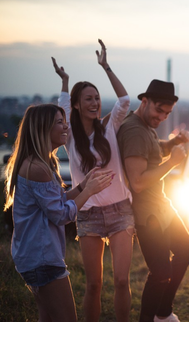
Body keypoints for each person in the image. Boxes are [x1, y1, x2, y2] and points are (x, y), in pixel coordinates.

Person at [4, 104, 113, 322]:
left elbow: (56, 202)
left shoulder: (42, 162)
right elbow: (61, 215)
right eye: (59, 122)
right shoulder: (37, 167)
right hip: (42, 259)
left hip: (34, 257)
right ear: (43, 128)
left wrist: (82, 187)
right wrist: (89, 192)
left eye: (65, 121)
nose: (65, 126)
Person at [52, 39, 135, 322]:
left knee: (122, 281)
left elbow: (124, 101)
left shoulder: (108, 127)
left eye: (97, 98)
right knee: (94, 285)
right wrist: (65, 80)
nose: (95, 103)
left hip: (121, 211)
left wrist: (106, 67)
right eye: (88, 98)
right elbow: (61, 105)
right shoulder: (70, 135)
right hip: (87, 214)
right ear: (76, 104)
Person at [117, 79, 189, 322]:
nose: (162, 117)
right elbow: (138, 182)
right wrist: (172, 162)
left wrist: (172, 143)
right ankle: (151, 318)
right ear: (145, 101)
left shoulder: (145, 126)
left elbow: (153, 150)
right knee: (161, 273)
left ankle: (162, 313)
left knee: (187, 250)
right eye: (158, 110)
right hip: (147, 214)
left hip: (162, 207)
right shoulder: (133, 131)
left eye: (167, 113)